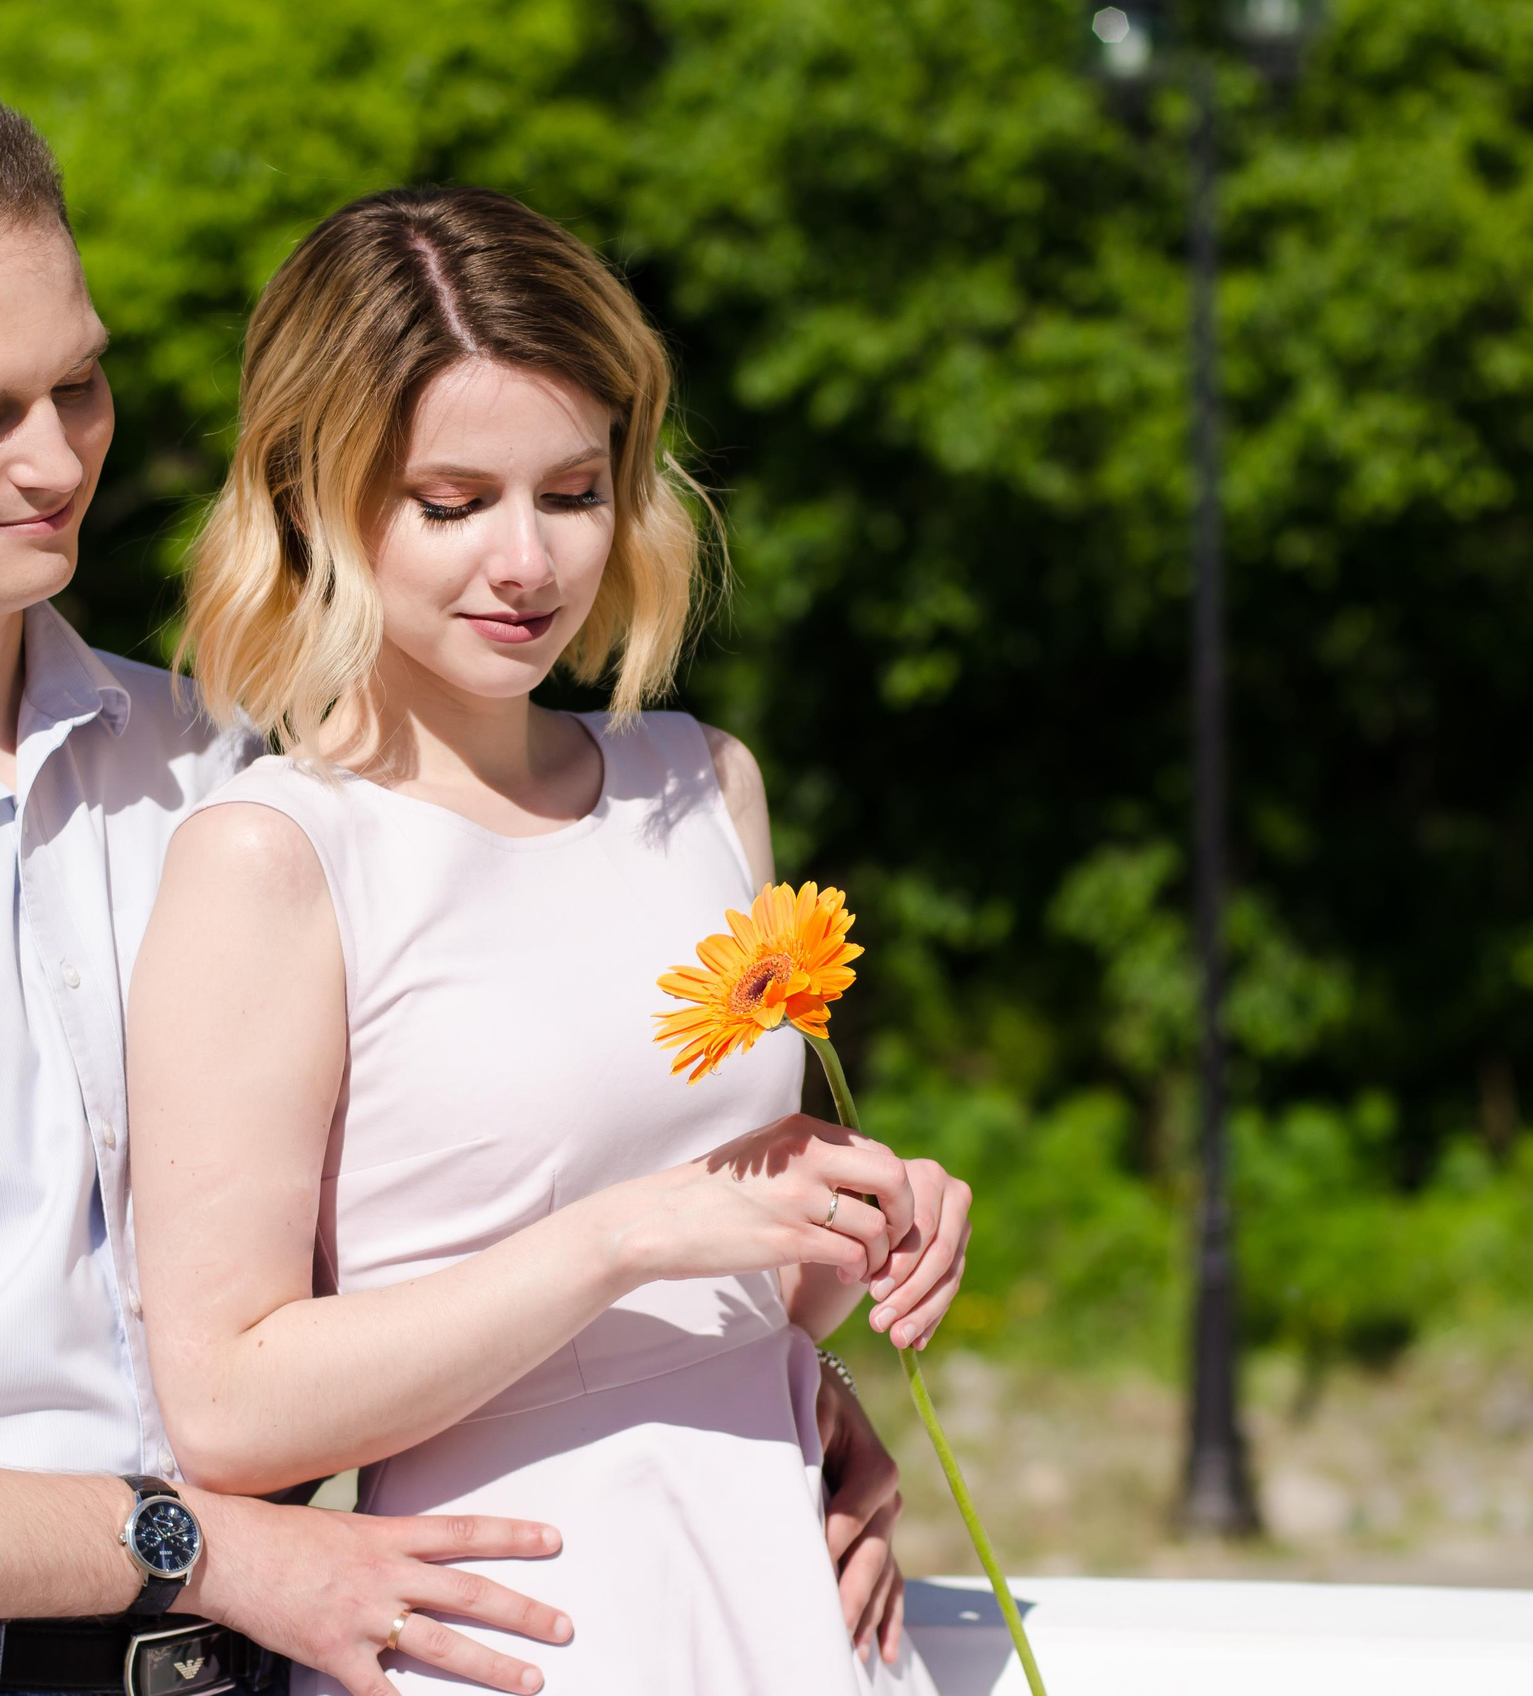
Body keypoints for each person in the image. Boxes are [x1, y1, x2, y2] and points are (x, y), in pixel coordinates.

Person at [0, 88, 915, 1696]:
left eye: (81, 386)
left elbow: (443, 1208)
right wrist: (193, 1541)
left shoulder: (223, 763)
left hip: (290, 1652)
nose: (55, 460)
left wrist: (779, 1397)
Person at [130, 186, 973, 1696]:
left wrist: (864, 1235)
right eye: (450, 504)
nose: (525, 562)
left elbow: (747, 1293)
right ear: (319, 496)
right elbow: (228, 1405)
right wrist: (628, 1232)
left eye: (571, 493)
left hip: (792, 1594)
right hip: (515, 1632)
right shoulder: (272, 857)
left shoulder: (703, 786)